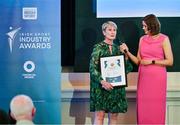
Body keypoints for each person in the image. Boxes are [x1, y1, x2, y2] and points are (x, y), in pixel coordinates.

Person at [120, 14, 173, 124]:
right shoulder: (142, 39)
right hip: (144, 78)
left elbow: (170, 61)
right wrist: (127, 52)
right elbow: (139, 61)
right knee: (143, 107)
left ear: (152, 25)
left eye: (144, 26)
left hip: (158, 78)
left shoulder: (164, 39)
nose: (143, 28)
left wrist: (152, 61)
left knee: (156, 107)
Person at [89, 21, 133, 125]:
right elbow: (92, 68)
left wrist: (126, 55)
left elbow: (126, 69)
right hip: (101, 87)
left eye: (114, 30)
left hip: (116, 88)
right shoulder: (98, 47)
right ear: (104, 32)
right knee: (100, 116)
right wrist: (103, 82)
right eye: (109, 30)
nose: (112, 32)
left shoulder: (118, 48)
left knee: (114, 117)